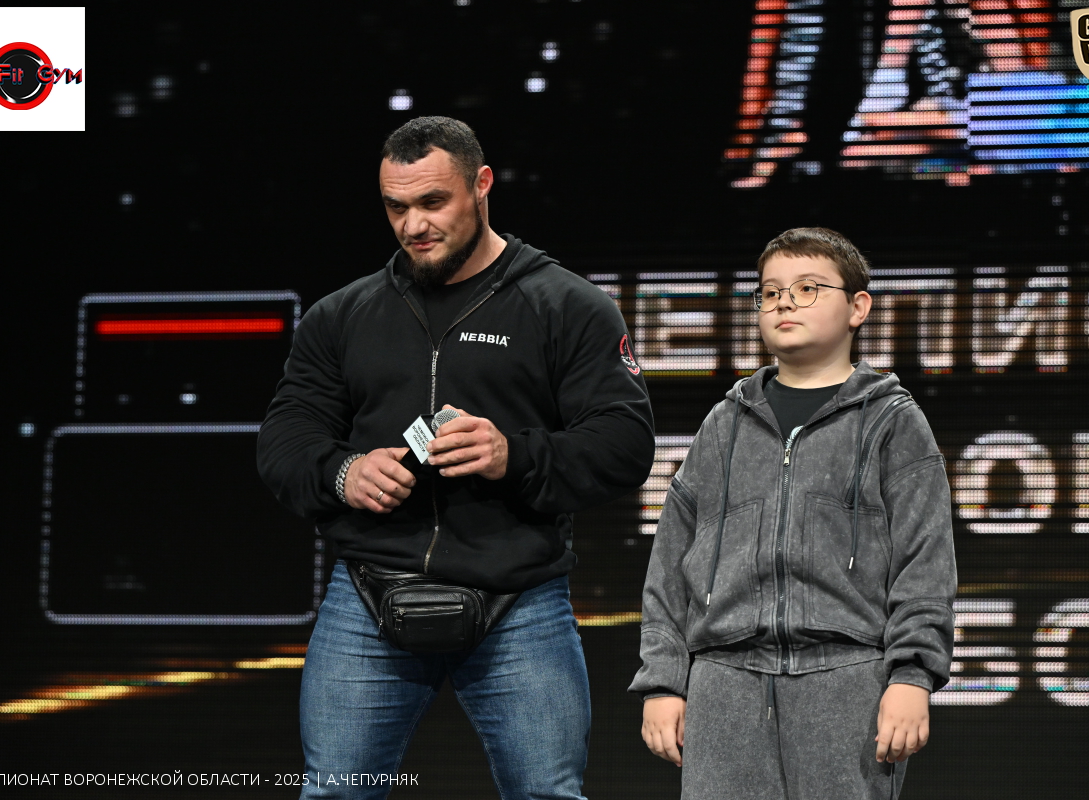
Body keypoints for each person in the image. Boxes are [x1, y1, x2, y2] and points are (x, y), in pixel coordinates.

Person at [257, 116, 655, 800]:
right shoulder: (340, 316)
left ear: (482, 185)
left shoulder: (569, 306)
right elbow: (284, 442)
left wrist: (514, 456)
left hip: (520, 600)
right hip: (367, 597)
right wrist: (343, 473)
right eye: (396, 207)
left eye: (433, 202)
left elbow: (624, 444)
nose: (414, 225)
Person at [629, 227, 956, 799]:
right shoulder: (725, 425)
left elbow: (925, 560)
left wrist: (912, 675)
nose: (784, 302)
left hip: (847, 679)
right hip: (723, 684)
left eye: (807, 288)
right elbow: (670, 564)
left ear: (858, 307)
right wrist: (663, 680)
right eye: (770, 291)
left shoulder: (892, 422)